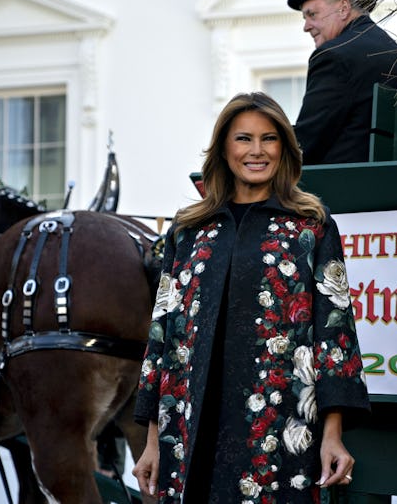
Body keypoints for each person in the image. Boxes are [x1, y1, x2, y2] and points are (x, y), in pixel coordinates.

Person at [132, 92, 370, 503]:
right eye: (244, 139)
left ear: (285, 149)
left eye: (269, 139)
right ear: (224, 149)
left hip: (277, 432)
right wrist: (153, 440)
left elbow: (336, 339)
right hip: (191, 431)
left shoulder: (310, 226)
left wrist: (333, 437)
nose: (256, 151)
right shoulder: (188, 231)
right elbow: (163, 341)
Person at [288, 0, 397, 164]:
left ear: (344, 8)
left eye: (312, 14)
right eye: (305, 18)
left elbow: (306, 142)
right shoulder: (395, 52)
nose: (306, 27)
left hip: (344, 185)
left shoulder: (334, 56)